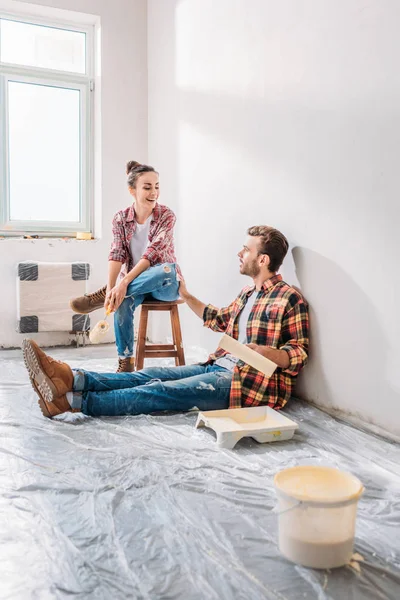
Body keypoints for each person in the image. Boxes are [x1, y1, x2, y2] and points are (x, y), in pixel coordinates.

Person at [23, 226, 309, 419]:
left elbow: (299, 353)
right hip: (219, 365)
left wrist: (272, 354)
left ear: (262, 260)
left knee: (161, 391)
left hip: (245, 384)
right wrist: (186, 294)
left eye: (246, 250)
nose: (239, 253)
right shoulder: (248, 294)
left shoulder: (289, 299)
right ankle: (72, 378)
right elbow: (219, 319)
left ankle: (70, 402)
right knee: (152, 373)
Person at [70, 160, 181, 373]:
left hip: (163, 285)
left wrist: (124, 283)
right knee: (120, 301)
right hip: (134, 285)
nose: (154, 192)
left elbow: (152, 254)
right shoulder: (121, 218)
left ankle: (105, 294)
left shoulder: (166, 216)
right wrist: (113, 286)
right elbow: (117, 253)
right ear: (132, 190)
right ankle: (126, 363)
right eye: (147, 187)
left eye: (156, 186)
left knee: (165, 269)